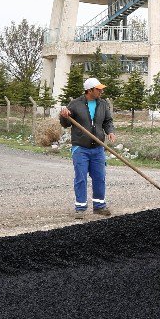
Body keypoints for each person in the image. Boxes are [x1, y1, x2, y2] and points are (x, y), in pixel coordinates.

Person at [59, 77, 115, 219]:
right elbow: (65, 124)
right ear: (89, 90)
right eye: (98, 89)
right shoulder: (75, 104)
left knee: (99, 177)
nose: (101, 91)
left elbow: (108, 121)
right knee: (81, 178)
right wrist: (64, 116)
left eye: (101, 89)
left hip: (98, 148)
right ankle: (80, 208)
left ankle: (99, 206)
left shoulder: (102, 104)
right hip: (81, 148)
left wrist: (110, 131)